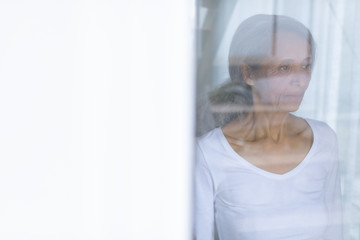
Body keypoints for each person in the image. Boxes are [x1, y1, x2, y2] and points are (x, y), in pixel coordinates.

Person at [194, 14, 342, 240]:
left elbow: (335, 233)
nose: (300, 80)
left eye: (306, 65)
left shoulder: (324, 140)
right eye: (284, 67)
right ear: (248, 73)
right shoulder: (209, 154)